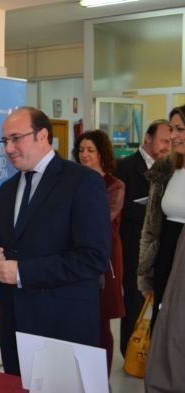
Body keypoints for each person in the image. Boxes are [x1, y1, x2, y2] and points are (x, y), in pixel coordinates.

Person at [0, 107, 111, 376]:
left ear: (42, 135)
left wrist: (22, 272)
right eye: (5, 141)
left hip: (63, 324)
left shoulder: (82, 182)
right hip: (15, 325)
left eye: (16, 138)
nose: (8, 148)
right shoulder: (6, 190)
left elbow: (93, 258)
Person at [113, 119, 171, 357]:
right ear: (148, 138)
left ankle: (154, 352)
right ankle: (130, 353)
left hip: (161, 244)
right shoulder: (125, 167)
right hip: (133, 244)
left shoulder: (171, 169)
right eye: (163, 140)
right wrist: (150, 211)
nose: (167, 145)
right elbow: (119, 207)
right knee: (135, 301)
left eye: (171, 140)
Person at [73, 130, 125, 377]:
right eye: (81, 150)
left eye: (90, 150)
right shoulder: (74, 182)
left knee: (102, 321)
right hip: (76, 258)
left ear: (102, 154)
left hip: (106, 262)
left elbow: (101, 220)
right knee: (80, 320)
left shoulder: (114, 185)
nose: (84, 155)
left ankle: (101, 379)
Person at [142, 105, 185, 392]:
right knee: (163, 326)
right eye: (171, 129)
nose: (173, 135)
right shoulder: (169, 170)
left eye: (180, 129)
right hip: (166, 256)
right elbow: (153, 225)